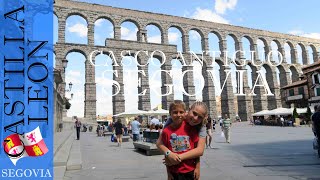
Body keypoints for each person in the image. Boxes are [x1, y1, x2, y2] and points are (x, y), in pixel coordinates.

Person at [157, 101, 208, 180]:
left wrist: (197, 167)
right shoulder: (171, 121)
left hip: (189, 170)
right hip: (174, 171)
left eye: (200, 117)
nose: (195, 118)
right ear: (189, 110)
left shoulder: (201, 126)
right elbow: (161, 143)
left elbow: (198, 150)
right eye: (194, 113)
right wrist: (169, 154)